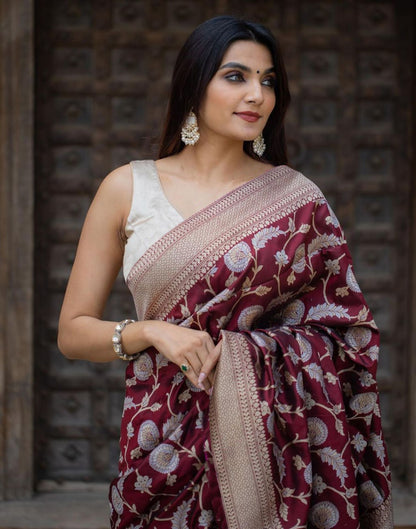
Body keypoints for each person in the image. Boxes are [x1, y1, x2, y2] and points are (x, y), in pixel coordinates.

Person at [58, 15, 393, 529]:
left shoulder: (296, 199)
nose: (256, 94)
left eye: (268, 80)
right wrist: (152, 331)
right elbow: (73, 333)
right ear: (195, 85)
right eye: (236, 76)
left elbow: (347, 335)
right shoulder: (127, 188)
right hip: (162, 439)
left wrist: (248, 357)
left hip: (279, 451)